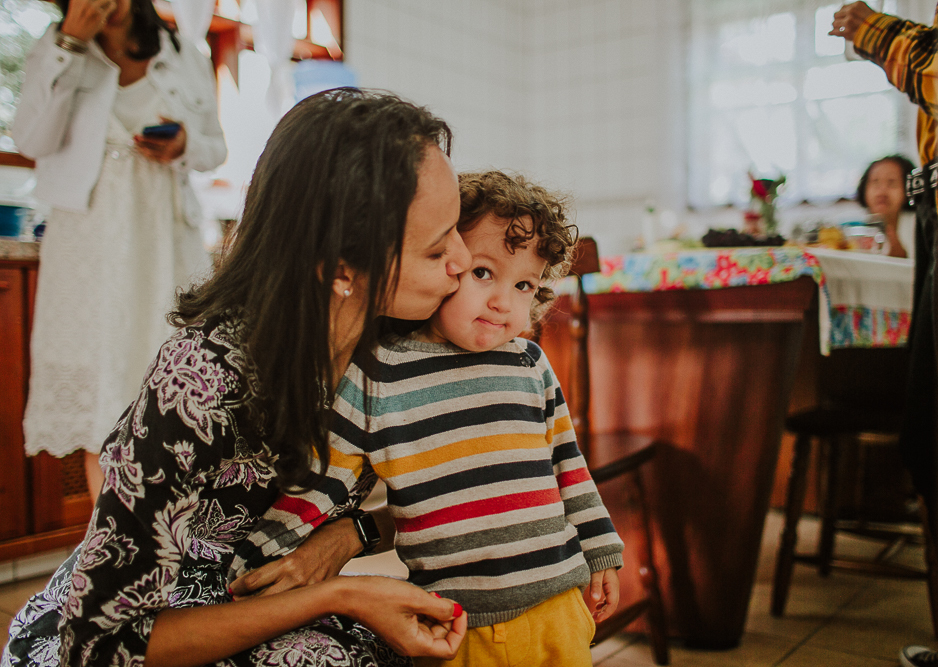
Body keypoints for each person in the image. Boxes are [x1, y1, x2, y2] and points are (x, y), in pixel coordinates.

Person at [2, 89, 474, 667]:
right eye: (435, 249)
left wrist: (352, 536)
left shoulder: (393, 347)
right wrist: (341, 594)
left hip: (267, 601)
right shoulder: (200, 382)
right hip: (146, 632)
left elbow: (458, 490)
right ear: (341, 267)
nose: (461, 260)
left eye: (456, 229)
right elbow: (103, 646)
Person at [230, 171, 624, 667]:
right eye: (483, 272)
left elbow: (569, 467)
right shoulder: (379, 373)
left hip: (559, 608)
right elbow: (323, 481)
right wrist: (261, 555)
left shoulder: (529, 364)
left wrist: (602, 548)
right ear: (447, 262)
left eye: (524, 284)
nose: (503, 301)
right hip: (454, 624)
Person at [12, 0, 228, 500]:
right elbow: (29, 138)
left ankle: (179, 543)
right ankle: (108, 552)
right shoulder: (55, 49)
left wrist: (184, 145)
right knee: (105, 390)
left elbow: (215, 147)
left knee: (171, 376)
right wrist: (68, 43)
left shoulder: (181, 52)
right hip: (90, 243)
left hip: (165, 235)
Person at [831, 3, 938, 666]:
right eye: (874, 182)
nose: (883, 191)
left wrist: (876, 30)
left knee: (936, 429)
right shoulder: (863, 231)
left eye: (892, 181)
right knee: (928, 427)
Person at [856, 155, 917, 258]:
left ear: (909, 189)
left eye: (892, 182)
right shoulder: (854, 229)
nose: (881, 192)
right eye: (875, 182)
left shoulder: (920, 229)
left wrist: (901, 259)